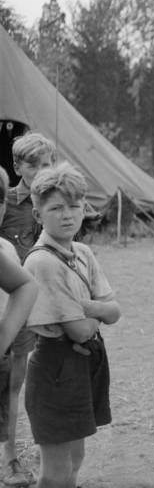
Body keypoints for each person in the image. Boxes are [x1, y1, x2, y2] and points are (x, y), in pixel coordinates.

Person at [23, 162, 121, 488]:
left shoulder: (82, 252)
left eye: (75, 206)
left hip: (85, 363)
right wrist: (99, 313)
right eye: (56, 208)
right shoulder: (42, 261)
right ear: (38, 215)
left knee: (76, 460)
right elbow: (79, 330)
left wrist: (86, 308)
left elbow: (115, 310)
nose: (67, 215)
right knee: (55, 471)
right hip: (54, 367)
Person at [0, 131, 54, 487]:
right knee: (11, 386)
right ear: (18, 166)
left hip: (45, 305)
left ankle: (46, 450)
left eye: (47, 163)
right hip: (13, 306)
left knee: (40, 379)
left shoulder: (55, 201)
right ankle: (11, 460)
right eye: (33, 164)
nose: (41, 171)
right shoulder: (6, 201)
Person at [0, 169, 39, 488]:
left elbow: (25, 285)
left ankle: (9, 456)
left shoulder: (3, 250)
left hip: (12, 331)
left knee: (13, 386)